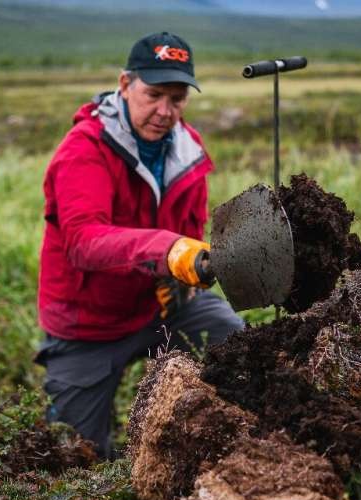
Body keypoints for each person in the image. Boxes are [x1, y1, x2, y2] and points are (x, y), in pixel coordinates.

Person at [35, 32, 244, 459]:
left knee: (238, 346)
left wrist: (196, 272)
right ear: (125, 84)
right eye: (153, 95)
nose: (165, 111)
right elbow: (82, 242)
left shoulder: (189, 149)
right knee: (77, 455)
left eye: (178, 97)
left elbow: (192, 226)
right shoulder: (84, 149)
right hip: (89, 325)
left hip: (163, 309)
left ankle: (234, 450)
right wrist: (166, 251)